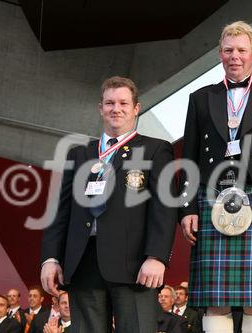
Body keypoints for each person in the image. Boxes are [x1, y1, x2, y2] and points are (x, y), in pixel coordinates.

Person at [180, 21, 252, 333]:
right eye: (229, 50)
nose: (235, 56)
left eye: (242, 50)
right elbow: (189, 158)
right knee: (215, 299)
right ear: (220, 53)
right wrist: (188, 208)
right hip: (210, 197)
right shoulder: (200, 98)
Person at [40, 76, 178, 333]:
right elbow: (61, 210)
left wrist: (157, 256)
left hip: (134, 266)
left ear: (136, 108)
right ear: (100, 108)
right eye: (110, 103)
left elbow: (164, 208)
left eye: (124, 103)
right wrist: (50, 258)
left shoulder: (155, 150)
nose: (116, 109)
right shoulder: (79, 154)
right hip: (83, 264)